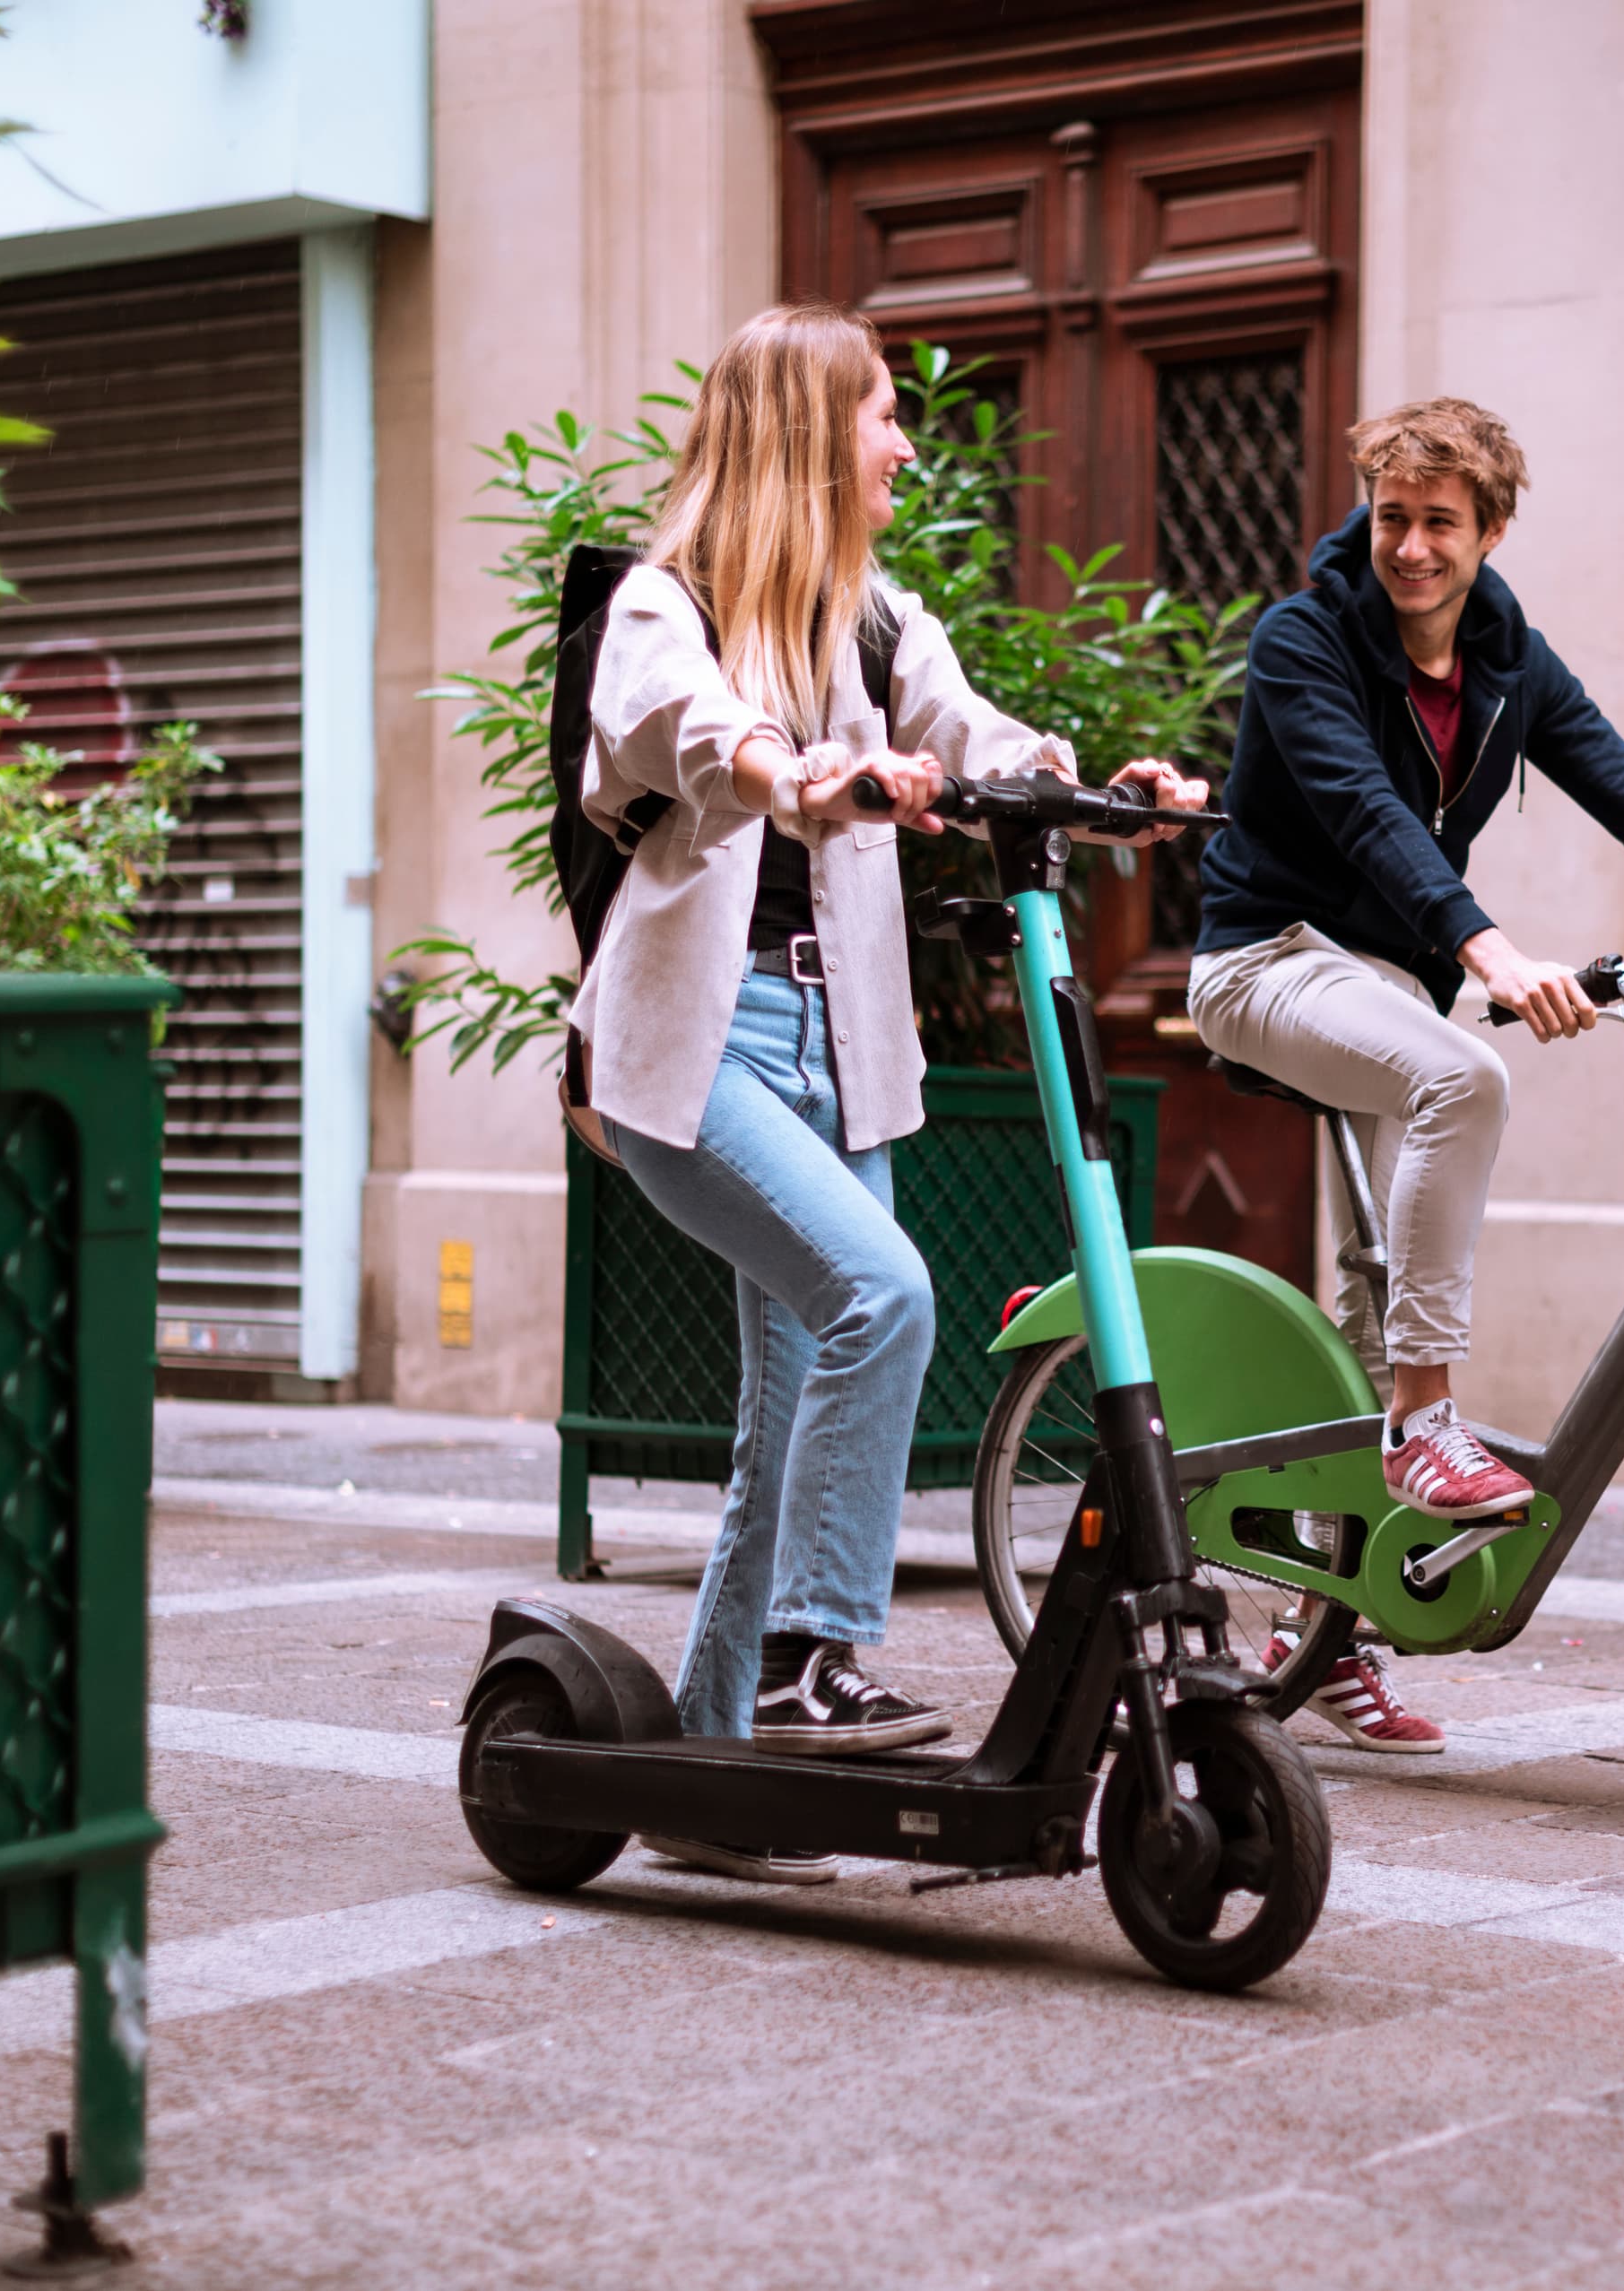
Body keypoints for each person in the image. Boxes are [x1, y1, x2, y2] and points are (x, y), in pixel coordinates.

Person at [572, 304, 1206, 1879]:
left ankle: (704, 1789)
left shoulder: (877, 621)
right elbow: (684, 735)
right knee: (887, 1296)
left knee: (781, 1431)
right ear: (804, 430)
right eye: (880, 418)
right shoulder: (672, 603)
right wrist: (801, 775)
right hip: (698, 1056)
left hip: (841, 1059)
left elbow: (970, 731)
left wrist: (1096, 794)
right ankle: (809, 1657)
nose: (905, 445)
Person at [1186, 397, 1624, 1754]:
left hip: (1386, 986)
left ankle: (1315, 1632)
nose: (1409, 547)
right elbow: (1363, 807)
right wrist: (1490, 948)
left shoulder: (1511, 660)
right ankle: (1423, 1424)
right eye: (1392, 518)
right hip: (1266, 959)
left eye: (1439, 525)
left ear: (1490, 532)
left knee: (1387, 1247)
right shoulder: (1304, 639)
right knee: (1469, 1081)